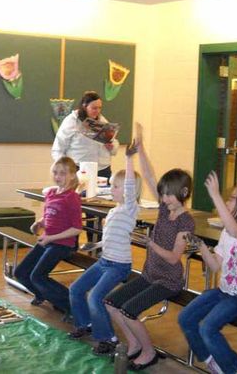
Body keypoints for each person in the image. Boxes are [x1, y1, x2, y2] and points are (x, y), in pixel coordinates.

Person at [104, 123, 194, 371]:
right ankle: (134, 343)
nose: (163, 199)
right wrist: (140, 149)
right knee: (111, 303)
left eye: (168, 195)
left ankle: (149, 351)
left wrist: (151, 243)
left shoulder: (186, 221)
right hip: (150, 274)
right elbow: (150, 175)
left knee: (130, 311)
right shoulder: (166, 209)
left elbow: (175, 258)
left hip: (167, 281)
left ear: (183, 193)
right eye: (162, 194)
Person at [178, 172, 237, 374]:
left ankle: (236, 367)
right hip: (224, 292)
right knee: (186, 318)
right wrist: (201, 246)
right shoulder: (227, 233)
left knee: (208, 328)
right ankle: (212, 360)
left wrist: (215, 195)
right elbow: (216, 265)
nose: (227, 201)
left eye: (232, 198)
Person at [67, 141, 142, 357]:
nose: (112, 189)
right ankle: (85, 324)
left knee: (95, 297)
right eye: (111, 185)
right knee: (76, 289)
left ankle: (108, 338)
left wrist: (128, 159)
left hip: (118, 266)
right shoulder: (114, 211)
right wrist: (95, 245)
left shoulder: (130, 208)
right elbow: (111, 237)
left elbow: (128, 186)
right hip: (104, 261)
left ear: (129, 190)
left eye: (115, 186)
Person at [14, 156, 83, 316]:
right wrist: (40, 222)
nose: (58, 177)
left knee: (38, 276)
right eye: (55, 173)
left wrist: (51, 238)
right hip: (47, 240)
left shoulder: (72, 198)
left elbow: (76, 228)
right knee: (21, 273)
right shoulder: (51, 193)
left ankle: (72, 307)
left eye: (63, 173)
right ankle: (44, 295)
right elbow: (52, 215)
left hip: (63, 243)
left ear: (72, 175)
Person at [51, 90, 119, 179]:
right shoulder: (71, 121)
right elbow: (58, 148)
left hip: (102, 169)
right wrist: (64, 169)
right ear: (84, 106)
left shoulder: (102, 120)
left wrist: (112, 146)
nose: (97, 111)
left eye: (99, 108)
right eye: (94, 108)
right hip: (79, 168)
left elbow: (114, 146)